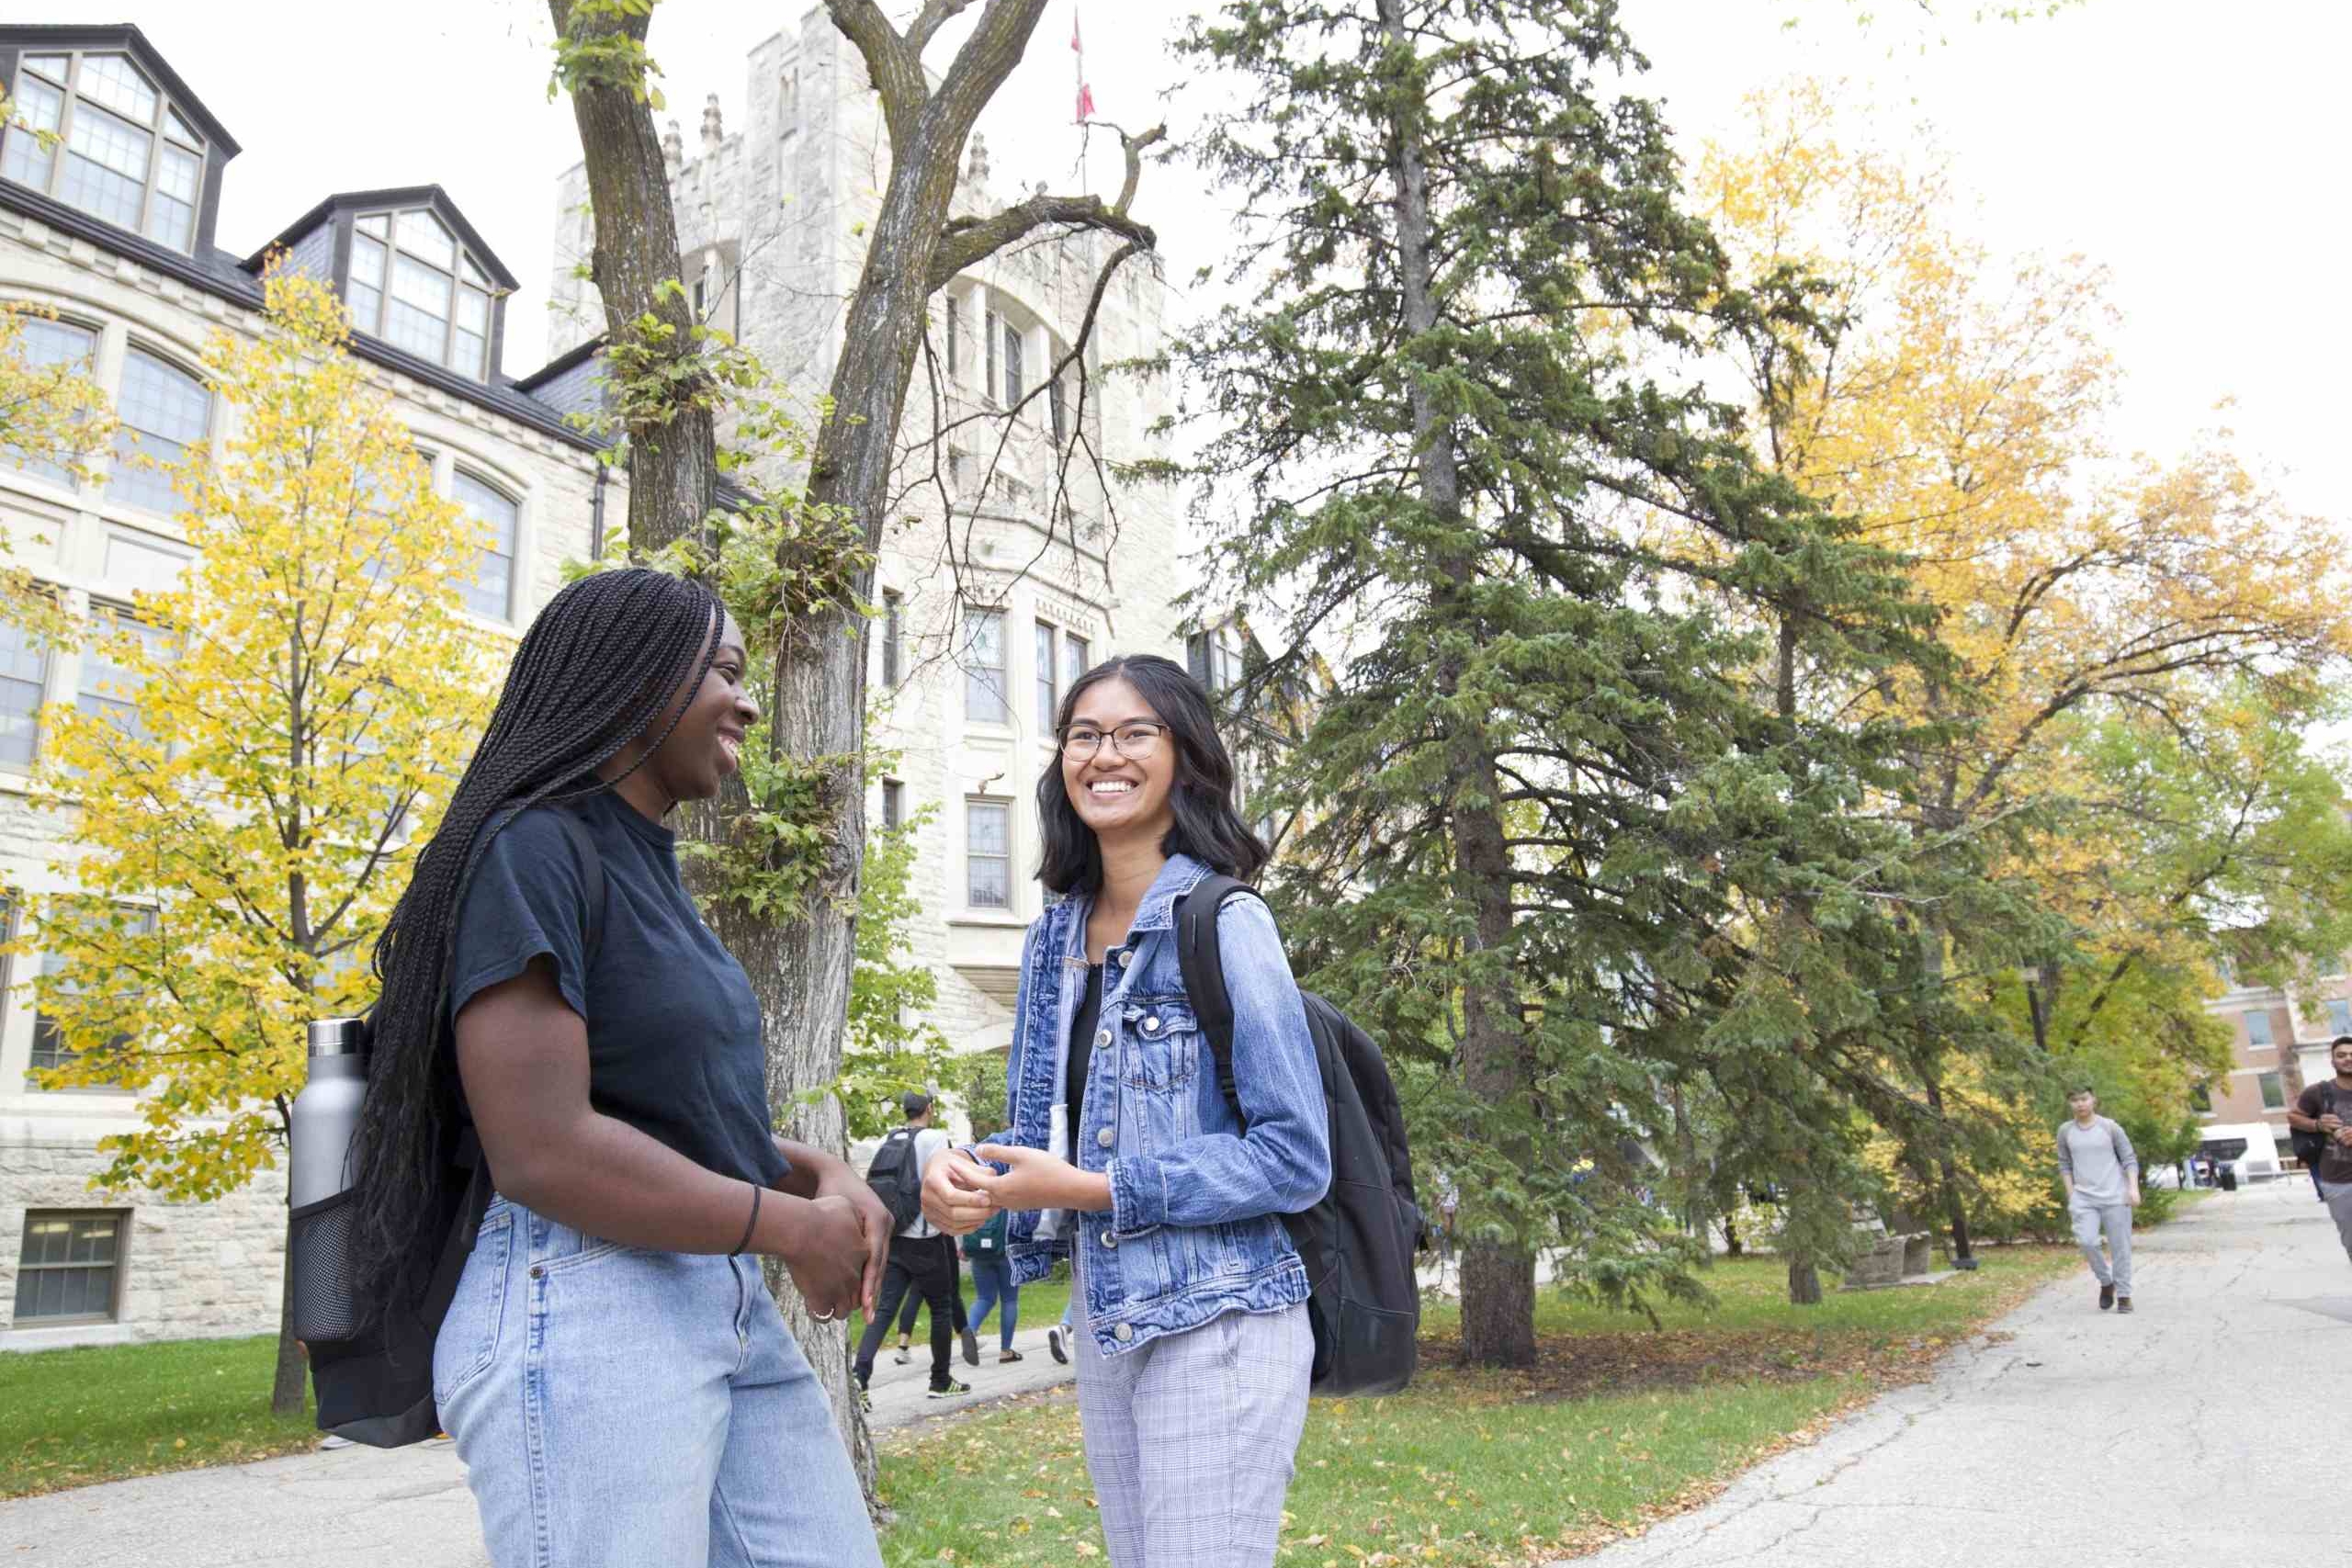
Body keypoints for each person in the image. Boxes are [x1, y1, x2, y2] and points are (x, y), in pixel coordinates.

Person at [340, 570, 889, 1568]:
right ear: (640, 679)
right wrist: (791, 1229)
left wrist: (823, 1176)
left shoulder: (643, 862)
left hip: (709, 1291)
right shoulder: (532, 846)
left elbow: (658, 1110)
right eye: (725, 669)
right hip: (584, 1299)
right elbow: (545, 1149)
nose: (751, 700)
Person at [921, 653, 1332, 1568]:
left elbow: (1294, 1158)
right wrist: (967, 1183)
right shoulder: (1051, 938)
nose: (1104, 753)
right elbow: (1048, 1145)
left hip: (1222, 1317)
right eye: (1082, 734)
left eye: (1133, 731)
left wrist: (1094, 1187)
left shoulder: (1225, 922)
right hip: (1108, 1324)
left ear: (1182, 756)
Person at [852, 1093, 974, 1401]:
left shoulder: (889, 1137)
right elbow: (949, 1182)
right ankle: (940, 1380)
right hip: (926, 1238)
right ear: (929, 1109)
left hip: (895, 1237)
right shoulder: (935, 1138)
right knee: (942, 1307)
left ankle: (860, 1375)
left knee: (884, 1310)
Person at [2056, 1087, 2141, 1314]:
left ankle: (2123, 1295)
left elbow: (2129, 1159)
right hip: (2083, 1198)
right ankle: (2106, 1282)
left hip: (2115, 1196)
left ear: (2094, 1100)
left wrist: (2133, 1188)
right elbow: (2064, 1164)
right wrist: (2071, 1193)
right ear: (2070, 1104)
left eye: (2084, 1099)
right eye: (2074, 1100)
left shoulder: (2110, 1127)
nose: (2080, 1104)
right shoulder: (2065, 1131)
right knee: (2086, 1241)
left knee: (2120, 1247)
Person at [2287, 1035, 2352, 1265]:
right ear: (2333, 1061)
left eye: (2351, 1055)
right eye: (2341, 1055)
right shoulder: (2318, 1092)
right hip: (2338, 1181)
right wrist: (2317, 1125)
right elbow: (2293, 1116)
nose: (2348, 1059)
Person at [889, 1250, 978, 1367]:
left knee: (914, 1295)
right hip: (941, 1245)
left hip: (916, 1248)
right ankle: (966, 1340)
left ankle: (902, 1346)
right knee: (951, 1296)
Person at [962, 1204, 1022, 1361]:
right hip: (1007, 1251)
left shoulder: (977, 1186)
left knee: (984, 1298)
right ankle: (1006, 1351)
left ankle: (970, 1330)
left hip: (979, 1251)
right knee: (1009, 1300)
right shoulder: (1011, 1187)